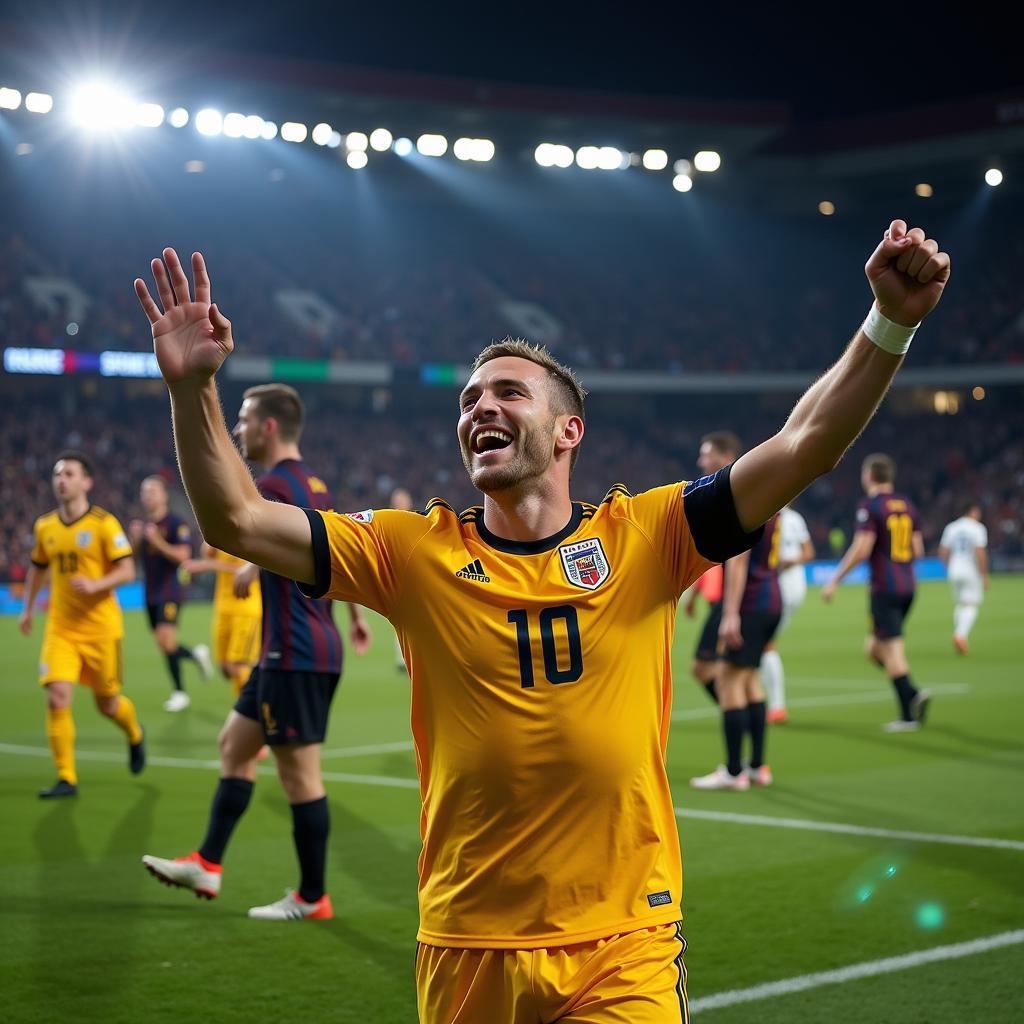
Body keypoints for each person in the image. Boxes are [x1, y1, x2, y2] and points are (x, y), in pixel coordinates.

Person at [133, 218, 948, 1019]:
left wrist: (889, 322)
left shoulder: (648, 537)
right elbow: (235, 519)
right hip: (466, 941)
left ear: (569, 432)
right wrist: (191, 386)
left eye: (507, 392)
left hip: (623, 940)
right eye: (469, 398)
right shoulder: (410, 552)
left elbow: (805, 443)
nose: (479, 407)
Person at [142, 383, 371, 921]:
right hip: (296, 646)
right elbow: (336, 550)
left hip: (293, 651)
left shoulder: (269, 484)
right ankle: (208, 862)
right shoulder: (313, 484)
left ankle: (313, 897)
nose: (239, 429)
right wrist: (355, 616)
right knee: (234, 745)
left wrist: (247, 561)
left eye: (243, 419)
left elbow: (232, 525)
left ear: (269, 427)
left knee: (299, 775)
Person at [19, 451, 145, 797]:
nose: (62, 479)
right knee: (57, 697)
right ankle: (66, 778)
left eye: (70, 474)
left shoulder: (104, 523)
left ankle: (135, 733)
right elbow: (37, 569)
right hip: (60, 627)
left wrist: (95, 585)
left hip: (101, 628)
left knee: (107, 704)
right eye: (58, 474)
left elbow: (127, 571)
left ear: (86, 482)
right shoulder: (45, 526)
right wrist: (27, 609)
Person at [823, 454, 929, 732]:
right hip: (908, 585)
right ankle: (908, 690)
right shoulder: (907, 505)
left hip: (885, 587)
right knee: (874, 649)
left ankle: (909, 709)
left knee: (892, 651)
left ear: (869, 475)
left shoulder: (870, 506)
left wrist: (835, 579)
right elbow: (918, 550)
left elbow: (862, 549)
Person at [691, 513, 782, 790]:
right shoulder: (776, 507)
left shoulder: (752, 504)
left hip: (748, 602)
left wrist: (730, 613)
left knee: (729, 681)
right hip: (770, 599)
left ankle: (733, 772)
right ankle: (756, 766)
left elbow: (739, 558)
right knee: (749, 681)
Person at [129, 475, 212, 711]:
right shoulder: (145, 527)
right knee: (164, 644)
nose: (148, 496)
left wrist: (158, 541)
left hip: (170, 590)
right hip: (150, 593)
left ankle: (180, 692)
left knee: (166, 641)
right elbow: (134, 561)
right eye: (144, 492)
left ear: (164, 495)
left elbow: (183, 556)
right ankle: (195, 654)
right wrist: (135, 541)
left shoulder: (176, 523)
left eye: (152, 491)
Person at [687, 431, 742, 705]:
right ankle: (740, 719)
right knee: (742, 677)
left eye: (707, 454)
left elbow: (738, 558)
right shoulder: (717, 496)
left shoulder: (737, 497)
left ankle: (735, 716)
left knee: (708, 669)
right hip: (725, 600)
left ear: (726, 458)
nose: (701, 461)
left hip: (732, 601)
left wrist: (732, 611)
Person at [181, 543, 262, 696]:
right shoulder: (221, 533)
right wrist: (208, 548)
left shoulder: (248, 534)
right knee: (225, 668)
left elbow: (246, 569)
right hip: (223, 608)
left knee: (237, 665)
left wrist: (207, 565)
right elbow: (208, 554)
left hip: (246, 608)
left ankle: (250, 712)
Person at [761, 504, 815, 724]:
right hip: (794, 587)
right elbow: (809, 552)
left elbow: (807, 553)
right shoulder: (796, 517)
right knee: (763, 643)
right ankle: (769, 703)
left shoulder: (769, 518)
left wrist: (788, 561)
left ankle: (776, 707)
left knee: (766, 644)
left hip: (782, 587)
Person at [938, 503, 989, 654]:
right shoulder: (977, 528)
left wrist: (948, 567)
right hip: (970, 570)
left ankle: (959, 634)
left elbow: (943, 552)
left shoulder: (951, 527)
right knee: (971, 604)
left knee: (961, 603)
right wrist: (984, 574)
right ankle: (960, 635)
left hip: (954, 569)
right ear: (972, 511)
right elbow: (980, 552)